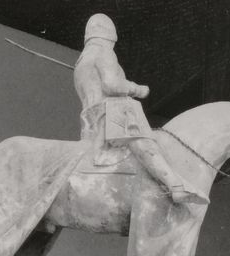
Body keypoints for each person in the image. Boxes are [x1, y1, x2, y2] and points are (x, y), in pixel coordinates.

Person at [72, 13, 209, 207]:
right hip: (110, 114)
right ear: (110, 36)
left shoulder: (81, 62)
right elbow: (112, 85)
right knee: (145, 143)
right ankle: (175, 185)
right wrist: (137, 89)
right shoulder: (104, 53)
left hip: (91, 122)